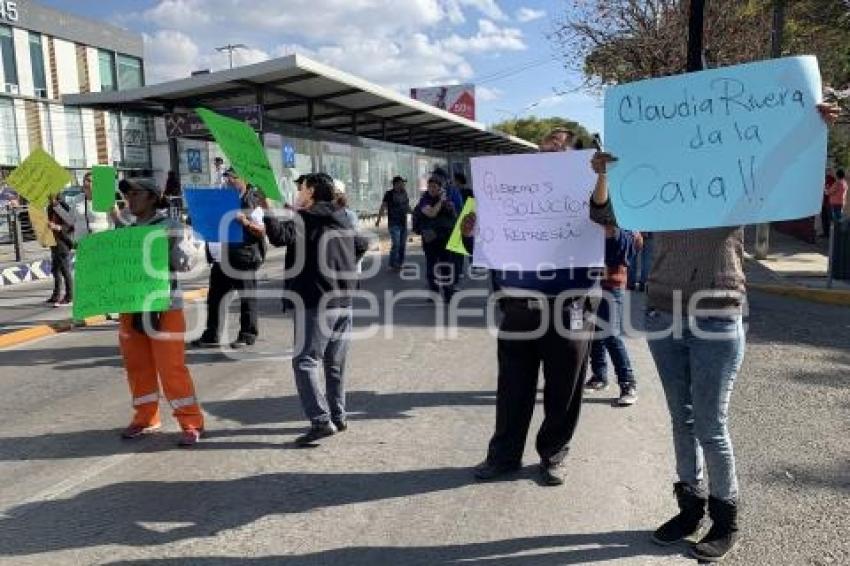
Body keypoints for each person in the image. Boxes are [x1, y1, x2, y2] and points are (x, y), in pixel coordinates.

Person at [589, 102, 839, 562]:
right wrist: (603, 174)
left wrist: (812, 129)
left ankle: (726, 519)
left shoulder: (734, 186)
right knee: (680, 420)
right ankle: (690, 507)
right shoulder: (654, 188)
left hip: (717, 315)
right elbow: (603, 215)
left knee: (710, 422)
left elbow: (784, 171)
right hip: (664, 314)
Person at [464, 129, 608, 487]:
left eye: (559, 145)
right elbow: (486, 254)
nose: (549, 148)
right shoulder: (511, 188)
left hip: (570, 306)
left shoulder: (595, 194)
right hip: (518, 308)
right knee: (512, 386)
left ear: (577, 158)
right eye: (546, 144)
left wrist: (603, 193)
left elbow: (617, 242)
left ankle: (553, 454)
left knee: (564, 388)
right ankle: (503, 456)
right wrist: (473, 236)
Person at [262, 173, 368, 446]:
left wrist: (267, 210)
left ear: (311, 191)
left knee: (305, 361)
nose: (298, 191)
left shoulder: (306, 218)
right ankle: (338, 415)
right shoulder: (342, 216)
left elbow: (278, 237)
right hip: (343, 301)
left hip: (316, 301)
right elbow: (361, 244)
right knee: (334, 363)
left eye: (301, 187)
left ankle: (321, 421)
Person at [115, 178, 204, 447]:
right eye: (126, 193)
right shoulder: (126, 230)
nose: (129, 198)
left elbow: (186, 264)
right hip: (132, 307)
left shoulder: (172, 226)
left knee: (171, 368)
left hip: (164, 306)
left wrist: (175, 241)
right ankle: (146, 417)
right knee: (137, 366)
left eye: (135, 193)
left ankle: (191, 422)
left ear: (153, 197)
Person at [192, 168, 266, 349]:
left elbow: (261, 230)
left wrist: (245, 222)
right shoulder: (221, 200)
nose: (229, 181)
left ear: (244, 180)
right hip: (220, 259)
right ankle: (212, 335)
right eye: (227, 178)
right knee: (215, 298)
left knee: (247, 299)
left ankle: (247, 334)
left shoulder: (252, 201)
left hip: (243, 258)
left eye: (233, 178)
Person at [585, 226, 641, 406]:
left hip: (611, 285)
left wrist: (611, 231)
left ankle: (628, 383)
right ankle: (599, 375)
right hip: (584, 282)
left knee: (610, 333)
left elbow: (636, 243)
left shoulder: (624, 220)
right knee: (593, 332)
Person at [414, 175, 458, 301]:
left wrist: (449, 204)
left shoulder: (445, 200)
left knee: (446, 266)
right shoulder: (424, 200)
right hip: (430, 239)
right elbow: (432, 213)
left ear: (440, 188)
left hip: (445, 238)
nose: (432, 189)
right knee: (431, 267)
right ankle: (433, 293)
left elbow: (454, 216)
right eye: (430, 187)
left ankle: (448, 293)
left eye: (435, 187)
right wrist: (441, 201)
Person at [375, 176, 411, 271]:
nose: (403, 184)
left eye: (403, 183)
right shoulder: (389, 194)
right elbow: (383, 206)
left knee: (402, 245)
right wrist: (378, 219)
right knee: (396, 244)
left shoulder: (404, 193)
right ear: (396, 184)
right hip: (393, 223)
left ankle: (400, 263)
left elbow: (407, 207)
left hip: (403, 222)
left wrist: (415, 214)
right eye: (401, 183)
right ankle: (392, 264)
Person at [45, 195, 75, 307]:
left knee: (65, 270)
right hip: (54, 242)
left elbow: (71, 224)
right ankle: (56, 295)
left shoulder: (64, 206)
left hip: (63, 242)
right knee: (55, 270)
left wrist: (58, 227)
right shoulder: (49, 207)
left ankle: (69, 296)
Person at [820, 169, 836, 238]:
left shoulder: (832, 180)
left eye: (828, 171)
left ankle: (830, 235)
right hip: (823, 202)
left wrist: (825, 189)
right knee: (823, 218)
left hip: (829, 203)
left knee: (829, 219)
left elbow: (830, 191)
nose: (826, 172)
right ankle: (825, 233)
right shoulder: (822, 179)